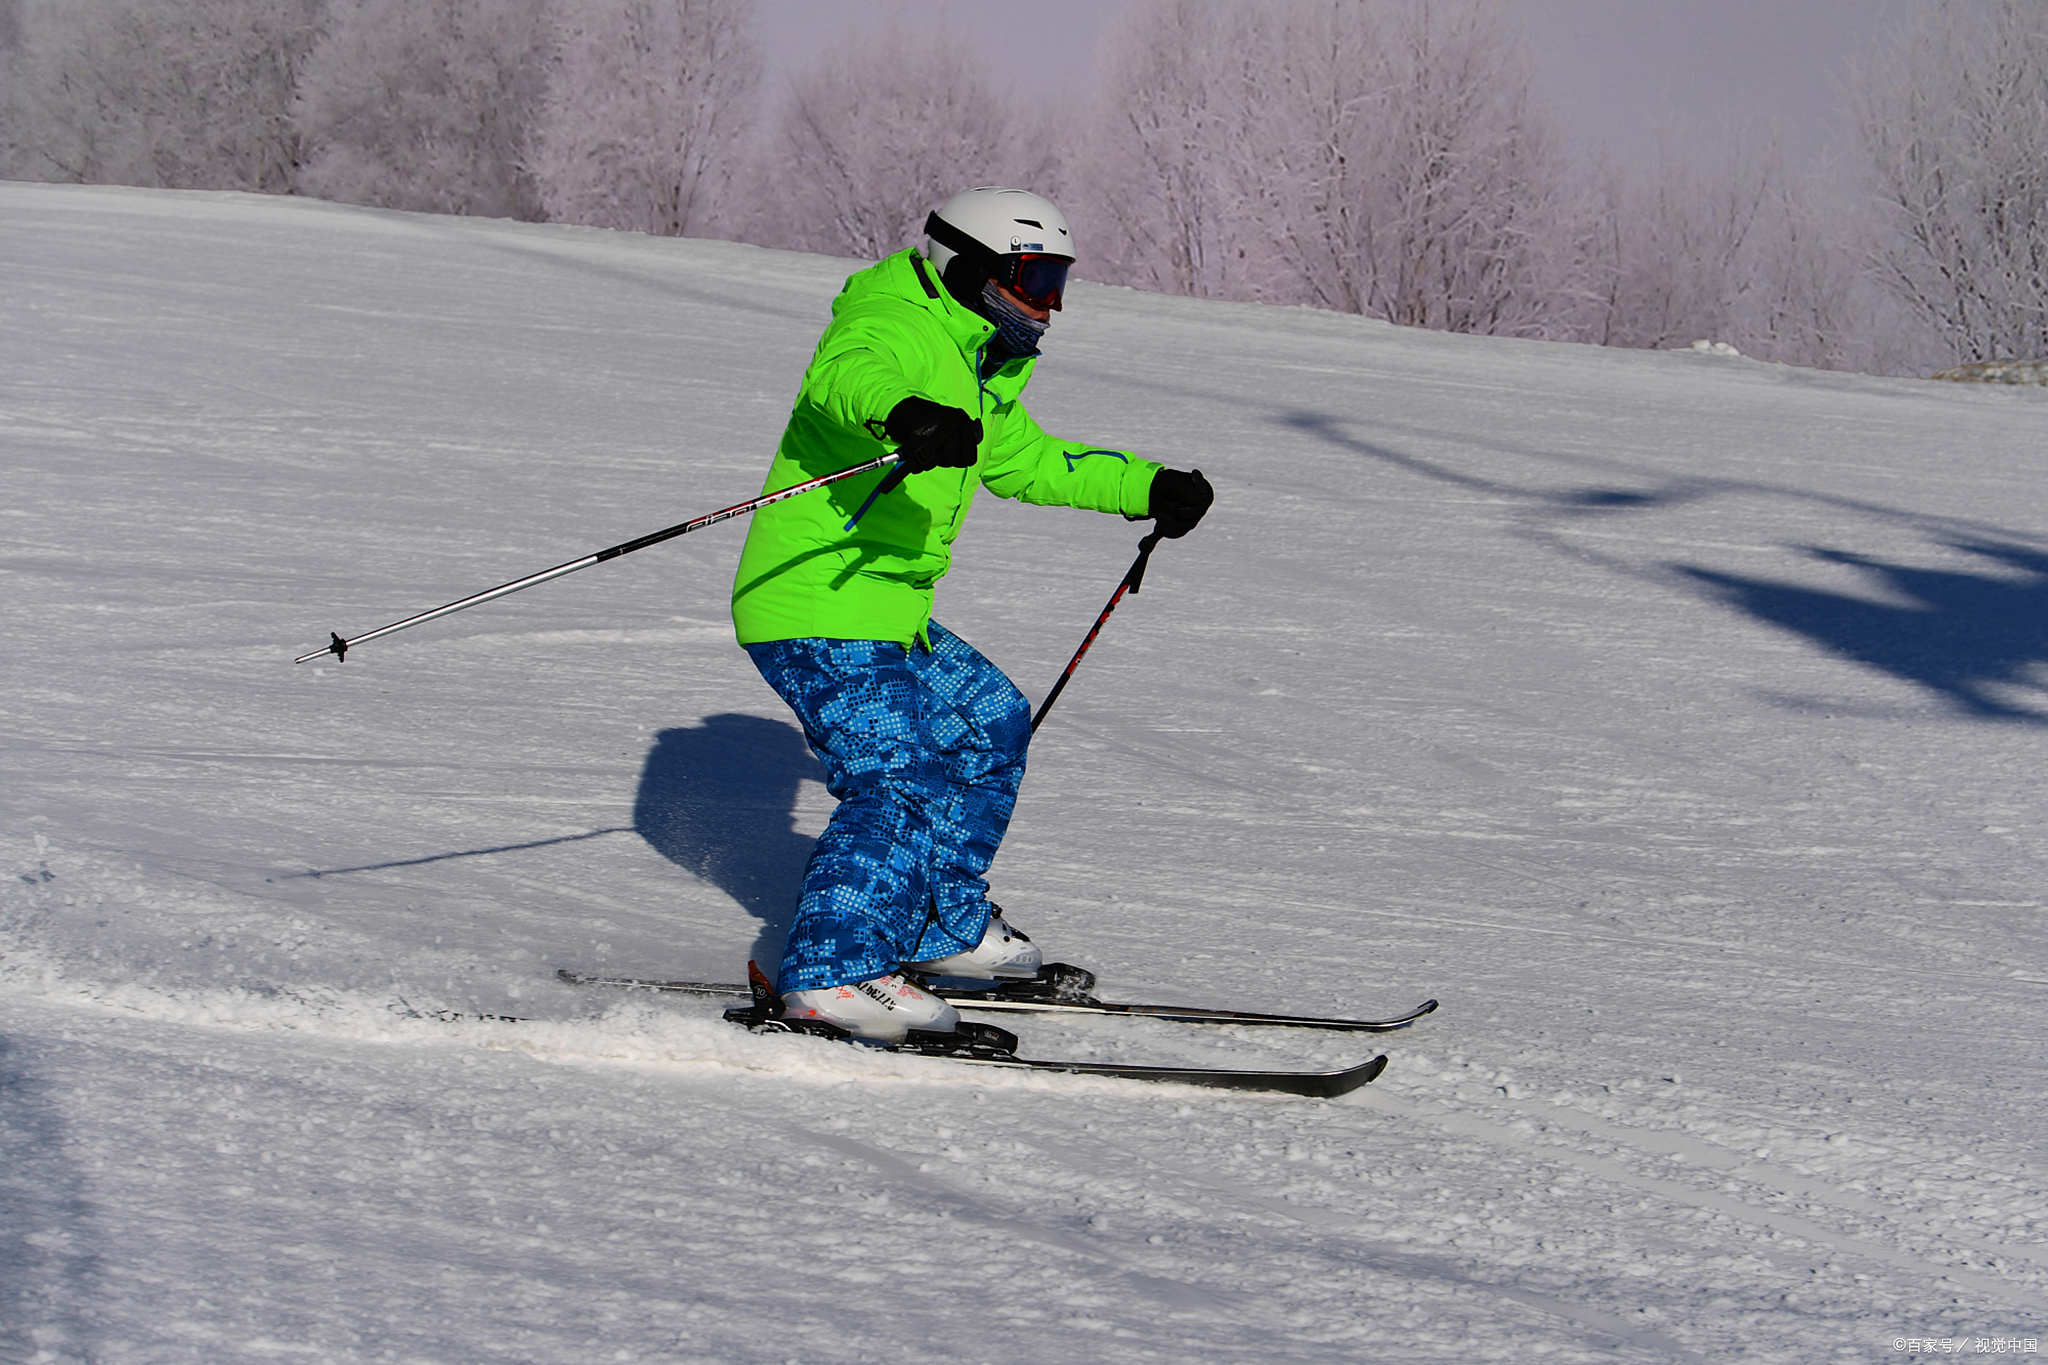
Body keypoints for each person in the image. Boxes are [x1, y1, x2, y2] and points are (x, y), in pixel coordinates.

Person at [729, 186, 1213, 1041]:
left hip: (885, 610)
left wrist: (1147, 485)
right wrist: (904, 413)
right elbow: (842, 378)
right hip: (816, 601)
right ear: (976, 269)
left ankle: (936, 926)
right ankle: (830, 972)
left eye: (1060, 281)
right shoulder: (894, 320)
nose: (1053, 305)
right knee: (899, 777)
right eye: (1037, 279)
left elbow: (1029, 462)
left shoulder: (975, 359)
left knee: (990, 720)